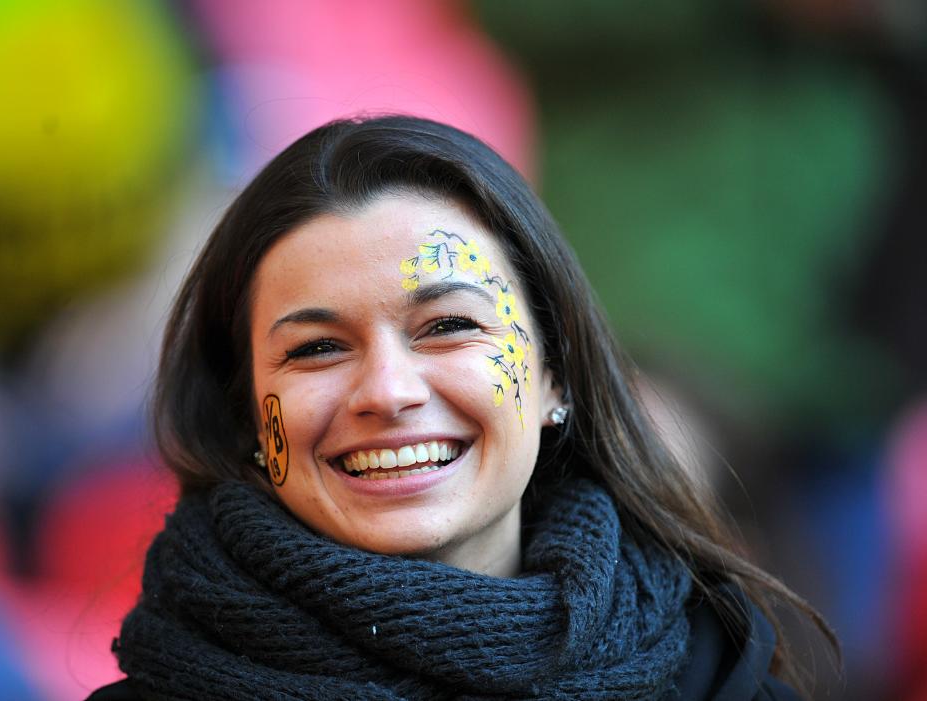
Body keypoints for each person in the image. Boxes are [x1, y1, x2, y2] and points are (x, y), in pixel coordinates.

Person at [89, 116, 832, 700]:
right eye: (317, 348)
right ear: (247, 411)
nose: (387, 390)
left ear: (555, 374)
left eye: (448, 327)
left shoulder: (721, 677)